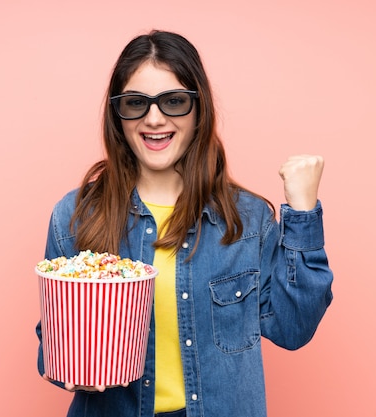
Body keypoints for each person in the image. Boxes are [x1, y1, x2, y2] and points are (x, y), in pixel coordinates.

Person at [36, 29, 333, 417]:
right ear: (117, 114)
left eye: (174, 101)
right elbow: (52, 340)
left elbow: (293, 328)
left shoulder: (246, 220)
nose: (154, 119)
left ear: (198, 110)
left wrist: (303, 212)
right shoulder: (76, 216)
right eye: (135, 103)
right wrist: (69, 367)